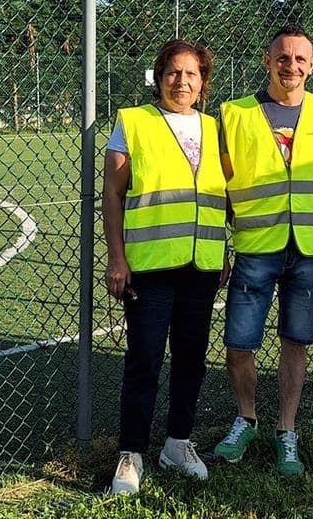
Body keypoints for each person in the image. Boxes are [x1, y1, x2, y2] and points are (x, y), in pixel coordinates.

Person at [213, 25, 313, 476]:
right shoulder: (235, 113)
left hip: (307, 247)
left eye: (300, 59)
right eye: (283, 57)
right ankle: (246, 419)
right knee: (238, 344)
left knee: (296, 341)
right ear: (267, 61)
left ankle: (287, 430)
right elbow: (219, 183)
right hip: (255, 246)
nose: (291, 66)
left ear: (312, 65)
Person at [103, 39, 229, 495]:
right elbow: (113, 193)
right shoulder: (134, 122)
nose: (182, 81)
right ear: (159, 77)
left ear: (203, 82)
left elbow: (219, 196)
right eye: (173, 72)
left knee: (192, 360)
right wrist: (117, 258)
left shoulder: (214, 128)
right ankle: (131, 453)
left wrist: (222, 251)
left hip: (202, 265)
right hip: (151, 266)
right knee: (145, 361)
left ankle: (178, 443)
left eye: (191, 74)